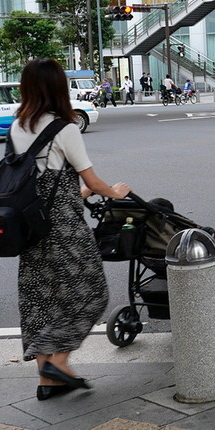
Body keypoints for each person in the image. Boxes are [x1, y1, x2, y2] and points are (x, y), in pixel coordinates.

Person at [9, 58, 130, 400]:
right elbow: (91, 178)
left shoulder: (17, 126)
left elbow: (40, 187)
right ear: (58, 87)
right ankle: (58, 362)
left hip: (30, 230)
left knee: (40, 298)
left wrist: (83, 192)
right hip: (64, 231)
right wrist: (113, 191)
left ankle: (47, 383)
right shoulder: (65, 128)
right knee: (91, 293)